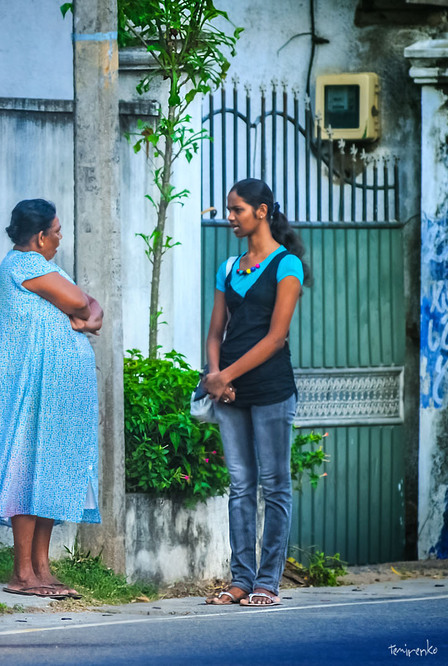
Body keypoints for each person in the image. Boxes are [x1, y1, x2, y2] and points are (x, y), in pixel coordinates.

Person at [0, 198, 103, 599]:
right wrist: (82, 313)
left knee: (48, 474)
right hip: (32, 389)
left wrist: (85, 312)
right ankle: (23, 574)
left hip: (55, 392)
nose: (61, 238)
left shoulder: (46, 268)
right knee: (26, 473)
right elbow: (84, 304)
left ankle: (42, 570)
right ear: (41, 235)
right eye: (57, 231)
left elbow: (92, 309)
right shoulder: (25, 265)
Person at [202, 178, 311, 608]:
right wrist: (215, 375)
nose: (230, 217)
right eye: (230, 210)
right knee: (241, 485)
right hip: (229, 392)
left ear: (261, 212)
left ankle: (268, 582)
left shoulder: (287, 265)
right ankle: (241, 581)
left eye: (237, 210)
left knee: (274, 484)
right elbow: (215, 332)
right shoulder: (228, 268)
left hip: (270, 389)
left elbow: (276, 338)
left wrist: (224, 374)